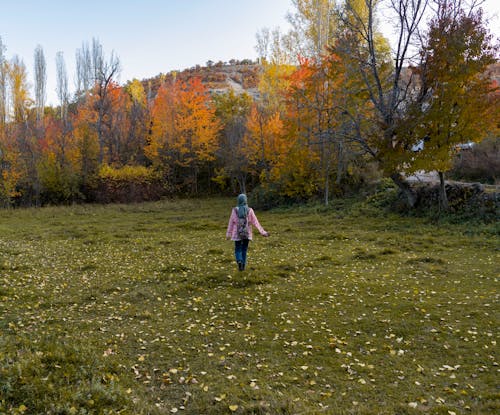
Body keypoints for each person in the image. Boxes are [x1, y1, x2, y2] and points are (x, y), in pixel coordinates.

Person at [226, 193, 269, 271]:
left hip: (237, 234)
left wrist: (228, 234)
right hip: (247, 233)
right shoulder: (250, 210)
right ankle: (243, 266)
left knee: (238, 249)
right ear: (246, 200)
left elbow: (231, 223)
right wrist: (263, 232)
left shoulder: (234, 210)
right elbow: (256, 222)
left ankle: (239, 260)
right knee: (244, 250)